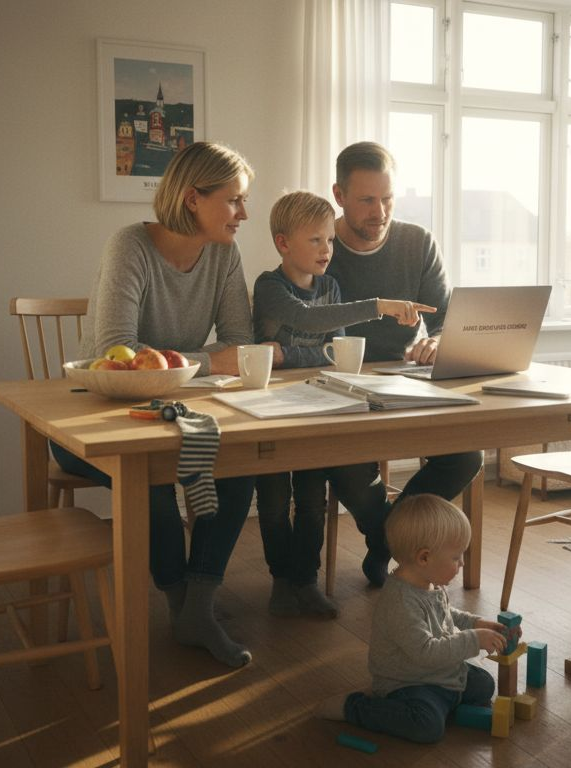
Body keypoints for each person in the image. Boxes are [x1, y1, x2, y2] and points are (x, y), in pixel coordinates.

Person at [55, 141, 260, 667]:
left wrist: (177, 363)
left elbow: (242, 340)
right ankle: (182, 604)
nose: (244, 213)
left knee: (239, 469)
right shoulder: (130, 247)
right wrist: (206, 361)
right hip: (92, 421)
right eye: (234, 200)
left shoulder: (224, 253)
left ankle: (199, 605)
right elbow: (114, 354)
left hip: (179, 415)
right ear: (193, 198)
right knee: (152, 486)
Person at [252, 191, 433, 618]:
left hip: (317, 404)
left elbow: (331, 351)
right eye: (316, 241)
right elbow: (309, 321)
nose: (327, 250)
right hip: (269, 412)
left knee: (313, 499)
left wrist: (288, 355)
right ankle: (281, 579)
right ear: (283, 243)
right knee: (275, 500)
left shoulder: (331, 287)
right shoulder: (269, 287)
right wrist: (380, 307)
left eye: (329, 241)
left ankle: (306, 579)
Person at [323, 141, 484, 586]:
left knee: (467, 455)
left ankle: (382, 544)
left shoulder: (417, 242)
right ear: (339, 195)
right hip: (341, 385)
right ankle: (393, 546)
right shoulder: (320, 244)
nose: (380, 212)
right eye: (367, 200)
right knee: (347, 464)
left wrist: (437, 340)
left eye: (388, 198)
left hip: (405, 380)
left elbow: (447, 317)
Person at [316, 495, 518, 743]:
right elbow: (426, 651)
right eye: (456, 557)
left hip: (438, 673)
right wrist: (474, 640)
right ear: (424, 557)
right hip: (409, 682)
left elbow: (446, 616)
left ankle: (445, 704)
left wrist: (477, 624)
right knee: (427, 727)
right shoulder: (400, 601)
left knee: (484, 684)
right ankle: (355, 707)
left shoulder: (428, 582)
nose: (462, 563)